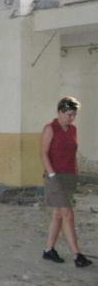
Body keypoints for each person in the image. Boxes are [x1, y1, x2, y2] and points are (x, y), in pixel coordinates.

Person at [41, 97, 92, 268]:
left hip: (69, 177)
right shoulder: (50, 128)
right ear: (60, 112)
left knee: (58, 214)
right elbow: (43, 153)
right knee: (68, 215)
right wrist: (52, 175)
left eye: (74, 115)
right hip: (55, 177)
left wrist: (75, 173)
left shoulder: (73, 130)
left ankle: (48, 250)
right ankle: (77, 255)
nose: (72, 118)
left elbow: (72, 153)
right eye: (69, 114)